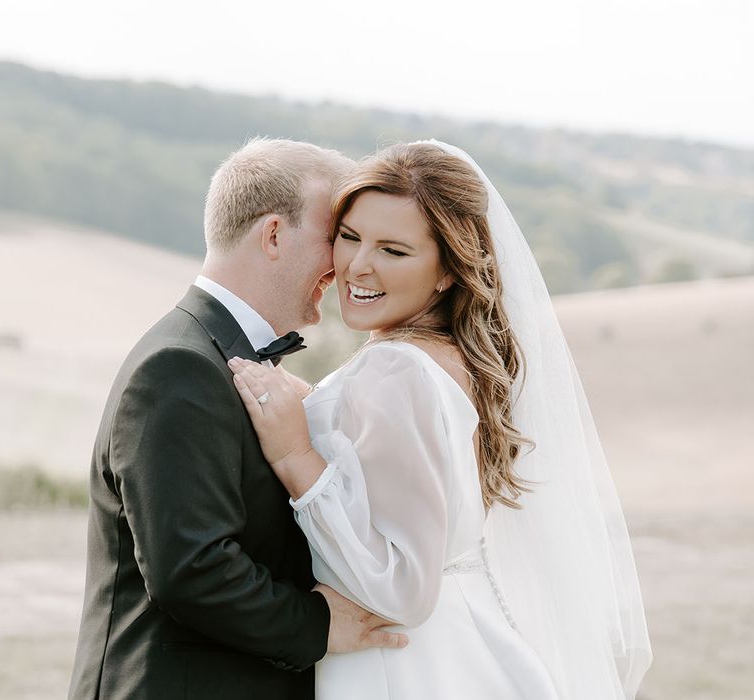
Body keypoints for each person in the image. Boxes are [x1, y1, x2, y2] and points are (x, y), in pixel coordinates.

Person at [229, 140, 653, 700]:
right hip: (466, 647)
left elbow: (403, 588)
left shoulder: (396, 371)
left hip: (409, 667)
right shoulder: (444, 360)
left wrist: (295, 454)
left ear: (449, 271)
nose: (358, 265)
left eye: (394, 251)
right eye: (350, 237)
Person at [68, 138, 408, 700]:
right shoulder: (179, 366)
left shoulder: (226, 358)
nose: (345, 264)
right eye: (338, 237)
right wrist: (321, 626)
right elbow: (192, 569)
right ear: (274, 234)